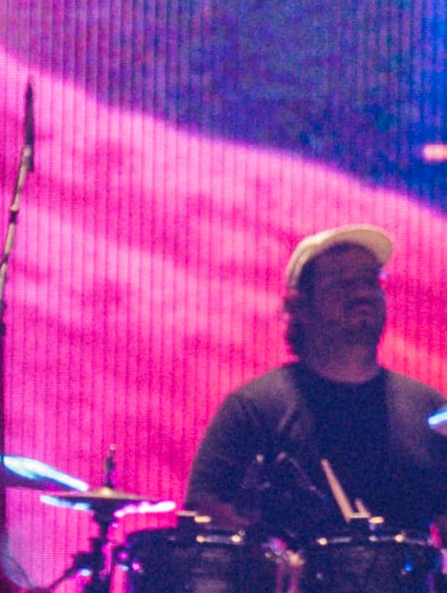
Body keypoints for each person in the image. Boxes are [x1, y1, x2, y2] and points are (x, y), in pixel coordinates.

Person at [185, 226, 447, 537]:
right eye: (343, 283)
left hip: (405, 586)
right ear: (299, 306)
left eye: (371, 280)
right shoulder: (254, 409)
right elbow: (202, 514)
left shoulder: (429, 411)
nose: (363, 293)